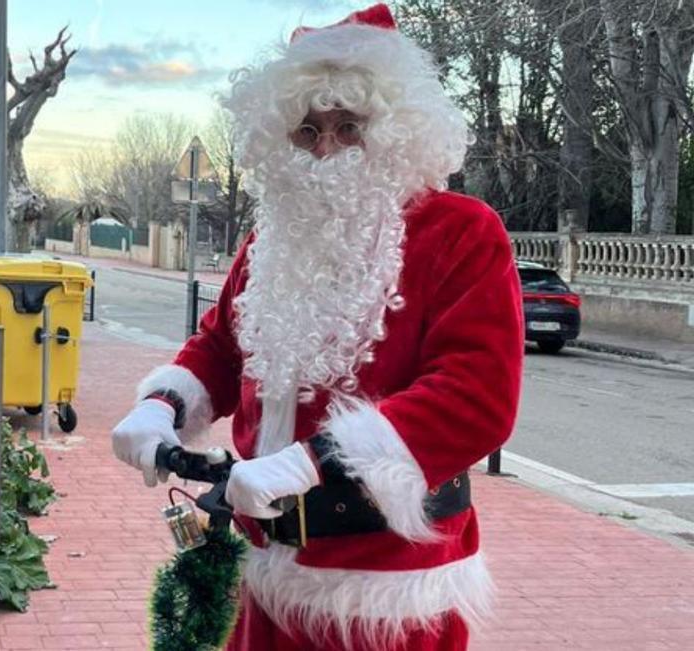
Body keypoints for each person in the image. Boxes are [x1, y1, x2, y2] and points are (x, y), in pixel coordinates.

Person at [112, 4, 523, 650]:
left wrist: (313, 462)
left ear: (395, 131)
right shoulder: (270, 240)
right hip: (269, 577)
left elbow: (476, 397)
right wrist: (163, 404)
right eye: (306, 131)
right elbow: (223, 345)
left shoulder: (461, 234)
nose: (325, 149)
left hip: (387, 597)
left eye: (348, 127)